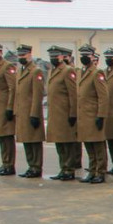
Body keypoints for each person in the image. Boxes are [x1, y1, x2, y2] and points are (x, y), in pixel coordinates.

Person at [76, 44, 110, 183]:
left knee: (98, 146)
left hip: (93, 115)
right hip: (84, 116)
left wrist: (101, 115)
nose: (84, 58)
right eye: (82, 55)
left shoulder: (97, 73)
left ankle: (100, 172)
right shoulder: (81, 72)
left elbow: (103, 96)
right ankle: (92, 170)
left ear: (93, 57)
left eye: (87, 55)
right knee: (89, 145)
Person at [45, 46, 79, 181]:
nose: (54, 59)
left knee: (67, 143)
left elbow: (73, 94)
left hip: (65, 114)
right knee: (59, 143)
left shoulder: (67, 71)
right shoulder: (52, 71)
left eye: (56, 56)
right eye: (51, 56)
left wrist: (73, 113)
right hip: (55, 114)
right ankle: (63, 168)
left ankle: (69, 169)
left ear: (62, 57)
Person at [14, 45, 45, 178]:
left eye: (24, 55)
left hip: (32, 111)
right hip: (22, 112)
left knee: (34, 140)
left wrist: (34, 113)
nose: (21, 58)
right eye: (20, 55)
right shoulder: (20, 71)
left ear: (30, 55)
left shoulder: (35, 71)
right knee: (26, 140)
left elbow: (38, 94)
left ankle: (36, 167)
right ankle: (30, 165)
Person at [0, 43, 16, 176]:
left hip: (4, 107)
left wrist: (10, 107)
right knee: (1, 137)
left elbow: (12, 88)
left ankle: (9, 164)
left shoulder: (7, 66)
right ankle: (5, 163)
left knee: (6, 137)